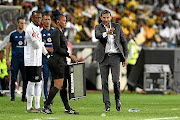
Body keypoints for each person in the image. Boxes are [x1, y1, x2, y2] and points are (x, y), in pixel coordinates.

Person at [42, 10, 79, 114]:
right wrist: (69, 55)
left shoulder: (60, 31)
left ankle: (67, 108)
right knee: (58, 84)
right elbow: (57, 48)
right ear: (58, 21)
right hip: (57, 61)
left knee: (63, 86)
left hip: (61, 60)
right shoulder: (56, 32)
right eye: (63, 21)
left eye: (66, 20)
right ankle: (46, 106)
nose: (65, 22)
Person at [94, 10, 128, 112]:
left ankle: (117, 100)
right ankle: (107, 104)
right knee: (104, 82)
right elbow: (97, 35)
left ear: (111, 17)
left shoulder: (117, 26)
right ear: (101, 18)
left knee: (115, 81)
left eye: (108, 17)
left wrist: (125, 57)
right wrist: (106, 33)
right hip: (103, 57)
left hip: (115, 57)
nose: (106, 19)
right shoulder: (98, 27)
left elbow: (124, 41)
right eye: (104, 18)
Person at [24, 11, 49, 113]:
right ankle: (29, 107)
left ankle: (37, 106)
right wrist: (42, 43)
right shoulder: (30, 28)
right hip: (31, 60)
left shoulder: (37, 28)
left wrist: (47, 54)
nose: (39, 19)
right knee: (32, 82)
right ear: (32, 18)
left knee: (39, 82)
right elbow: (37, 45)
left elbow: (40, 45)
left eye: (40, 18)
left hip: (37, 60)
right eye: (36, 18)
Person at [6, 16, 27, 102]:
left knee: (25, 78)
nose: (22, 24)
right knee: (13, 78)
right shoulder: (13, 34)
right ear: (17, 23)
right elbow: (8, 47)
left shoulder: (26, 34)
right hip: (15, 59)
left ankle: (23, 97)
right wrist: (7, 59)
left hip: (24, 59)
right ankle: (12, 97)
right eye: (21, 23)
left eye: (24, 23)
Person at [41, 12, 54, 104]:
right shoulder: (40, 32)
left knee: (53, 79)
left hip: (54, 58)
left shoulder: (54, 31)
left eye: (48, 19)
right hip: (44, 58)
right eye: (45, 19)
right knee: (45, 78)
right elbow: (39, 45)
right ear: (42, 21)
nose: (47, 21)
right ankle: (45, 97)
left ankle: (51, 97)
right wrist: (48, 48)